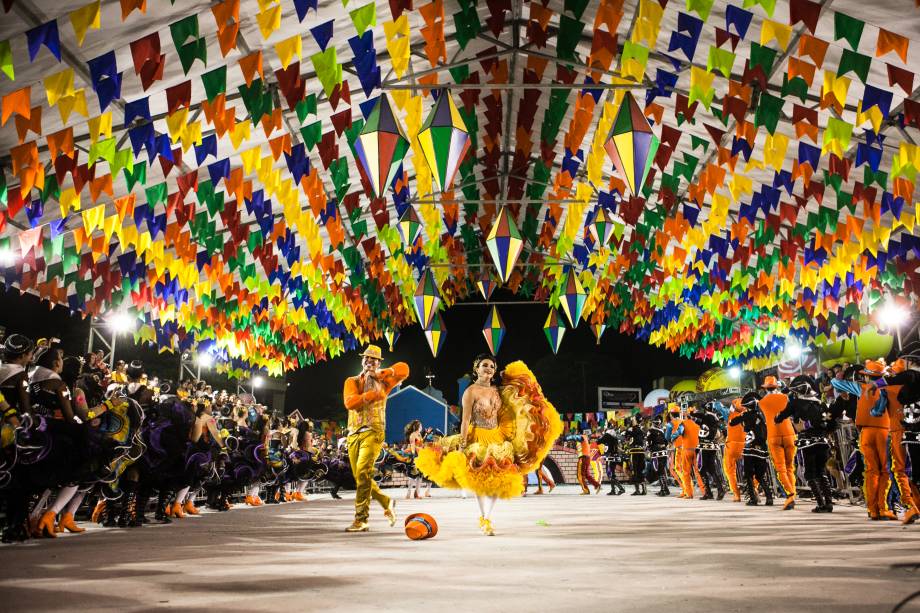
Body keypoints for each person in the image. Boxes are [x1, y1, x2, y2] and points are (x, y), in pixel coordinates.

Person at [416, 355, 562, 536]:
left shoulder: (497, 391)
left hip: (498, 437)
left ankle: (487, 517)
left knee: (496, 481)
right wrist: (462, 443)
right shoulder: (470, 391)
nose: (488, 369)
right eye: (484, 365)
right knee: (479, 480)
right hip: (477, 436)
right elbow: (465, 420)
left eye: (492, 366)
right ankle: (483, 517)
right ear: (476, 369)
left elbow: (515, 398)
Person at [341, 345, 409, 532]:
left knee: (363, 472)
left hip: (373, 431)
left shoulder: (385, 381)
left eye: (374, 359)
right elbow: (350, 403)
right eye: (367, 358)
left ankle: (361, 519)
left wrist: (384, 373)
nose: (370, 361)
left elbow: (404, 369)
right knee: (360, 476)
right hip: (353, 433)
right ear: (362, 361)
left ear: (379, 363)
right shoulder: (352, 381)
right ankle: (386, 502)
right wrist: (372, 395)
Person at [831, 360, 895, 520]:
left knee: (871, 471)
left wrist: (842, 376)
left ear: (866, 376)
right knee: (885, 471)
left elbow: (835, 382)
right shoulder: (888, 388)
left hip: (866, 433)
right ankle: (883, 508)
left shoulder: (861, 388)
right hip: (884, 432)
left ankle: (872, 509)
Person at [775, 376, 842, 513]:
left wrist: (804, 425)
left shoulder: (795, 403)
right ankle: (828, 503)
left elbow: (780, 417)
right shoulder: (820, 403)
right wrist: (822, 430)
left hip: (808, 443)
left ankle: (821, 503)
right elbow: (831, 423)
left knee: (810, 474)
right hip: (822, 441)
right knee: (821, 472)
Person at [758, 376, 798, 510]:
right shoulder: (785, 398)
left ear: (765, 388)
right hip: (789, 433)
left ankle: (790, 494)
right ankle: (793, 494)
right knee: (790, 467)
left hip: (773, 435)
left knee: (781, 468)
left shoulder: (761, 402)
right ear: (777, 386)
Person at [730, 392, 773, 506]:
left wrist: (742, 416)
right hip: (762, 448)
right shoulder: (761, 415)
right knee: (760, 475)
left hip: (750, 448)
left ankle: (753, 499)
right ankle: (769, 497)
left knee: (748, 474)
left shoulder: (746, 415)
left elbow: (732, 423)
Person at [694, 402, 725, 500]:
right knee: (712, 469)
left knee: (701, 469)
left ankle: (708, 492)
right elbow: (723, 430)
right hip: (713, 446)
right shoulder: (715, 418)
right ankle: (720, 489)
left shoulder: (706, 417)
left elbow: (698, 417)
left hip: (704, 446)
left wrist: (692, 414)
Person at [723, 398, 746, 502]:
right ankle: (753, 489)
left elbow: (718, 406)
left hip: (731, 445)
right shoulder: (748, 415)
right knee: (751, 469)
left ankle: (736, 494)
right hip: (745, 445)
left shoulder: (729, 415)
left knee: (730, 470)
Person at [645, 414, 670, 496]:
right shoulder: (663, 430)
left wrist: (650, 450)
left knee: (660, 471)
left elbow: (648, 443)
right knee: (662, 470)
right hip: (664, 452)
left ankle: (663, 490)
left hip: (657, 453)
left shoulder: (651, 431)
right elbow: (666, 442)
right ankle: (665, 489)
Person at [624, 418, 647, 496]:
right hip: (641, 451)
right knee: (640, 469)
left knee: (635, 470)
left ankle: (637, 490)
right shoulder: (641, 430)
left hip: (634, 451)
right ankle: (644, 489)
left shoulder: (631, 429)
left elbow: (627, 438)